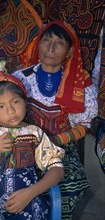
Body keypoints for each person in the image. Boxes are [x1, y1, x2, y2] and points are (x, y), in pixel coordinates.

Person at [12, 19, 98, 219]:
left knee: (70, 185)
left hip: (61, 147)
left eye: (59, 43)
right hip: (24, 144)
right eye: (46, 40)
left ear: (69, 52)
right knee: (13, 181)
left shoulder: (80, 84)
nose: (50, 48)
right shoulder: (21, 78)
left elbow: (84, 125)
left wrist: (58, 141)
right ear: (38, 43)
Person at [0, 71, 65, 220]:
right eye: (1, 106)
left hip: (29, 204)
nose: (11, 111)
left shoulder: (34, 133)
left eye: (15, 102)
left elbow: (57, 170)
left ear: (24, 102)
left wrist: (31, 192)